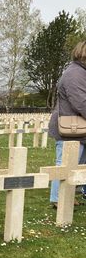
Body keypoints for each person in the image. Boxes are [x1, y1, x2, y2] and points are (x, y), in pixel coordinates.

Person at [47, 40, 86, 209]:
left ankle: (70, 194)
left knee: (78, 166)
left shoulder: (81, 72)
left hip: (80, 128)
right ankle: (58, 198)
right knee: (65, 165)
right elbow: (81, 102)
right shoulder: (74, 74)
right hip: (70, 128)